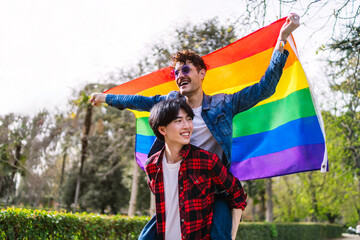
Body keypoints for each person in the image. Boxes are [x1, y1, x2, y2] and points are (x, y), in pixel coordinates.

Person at [89, 13, 300, 240]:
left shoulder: (223, 105)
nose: (180, 76)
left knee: (219, 235)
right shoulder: (171, 103)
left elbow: (263, 89)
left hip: (214, 186)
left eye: (186, 70)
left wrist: (282, 39)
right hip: (180, 184)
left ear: (202, 73)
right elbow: (139, 101)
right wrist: (106, 98)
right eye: (176, 72)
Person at [146, 98, 246, 240]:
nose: (187, 126)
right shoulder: (151, 166)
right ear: (162, 129)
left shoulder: (206, 161)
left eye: (189, 119)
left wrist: (231, 234)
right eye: (179, 121)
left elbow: (237, 193)